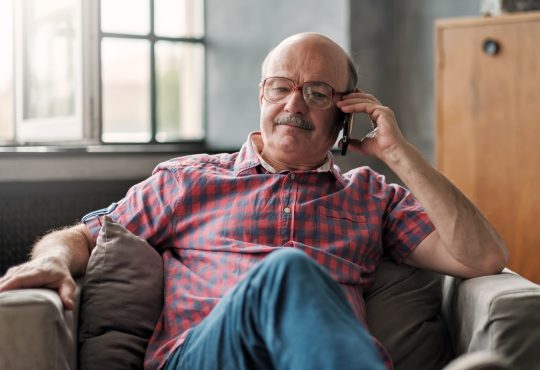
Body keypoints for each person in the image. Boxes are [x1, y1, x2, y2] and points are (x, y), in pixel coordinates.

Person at [0, 33, 507, 370]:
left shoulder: (371, 196)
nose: (293, 105)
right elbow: (90, 233)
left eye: (317, 92)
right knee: (286, 272)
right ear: (261, 95)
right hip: (206, 356)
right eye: (281, 87)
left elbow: (481, 256)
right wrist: (50, 259)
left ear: (346, 113)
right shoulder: (189, 180)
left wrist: (399, 153)